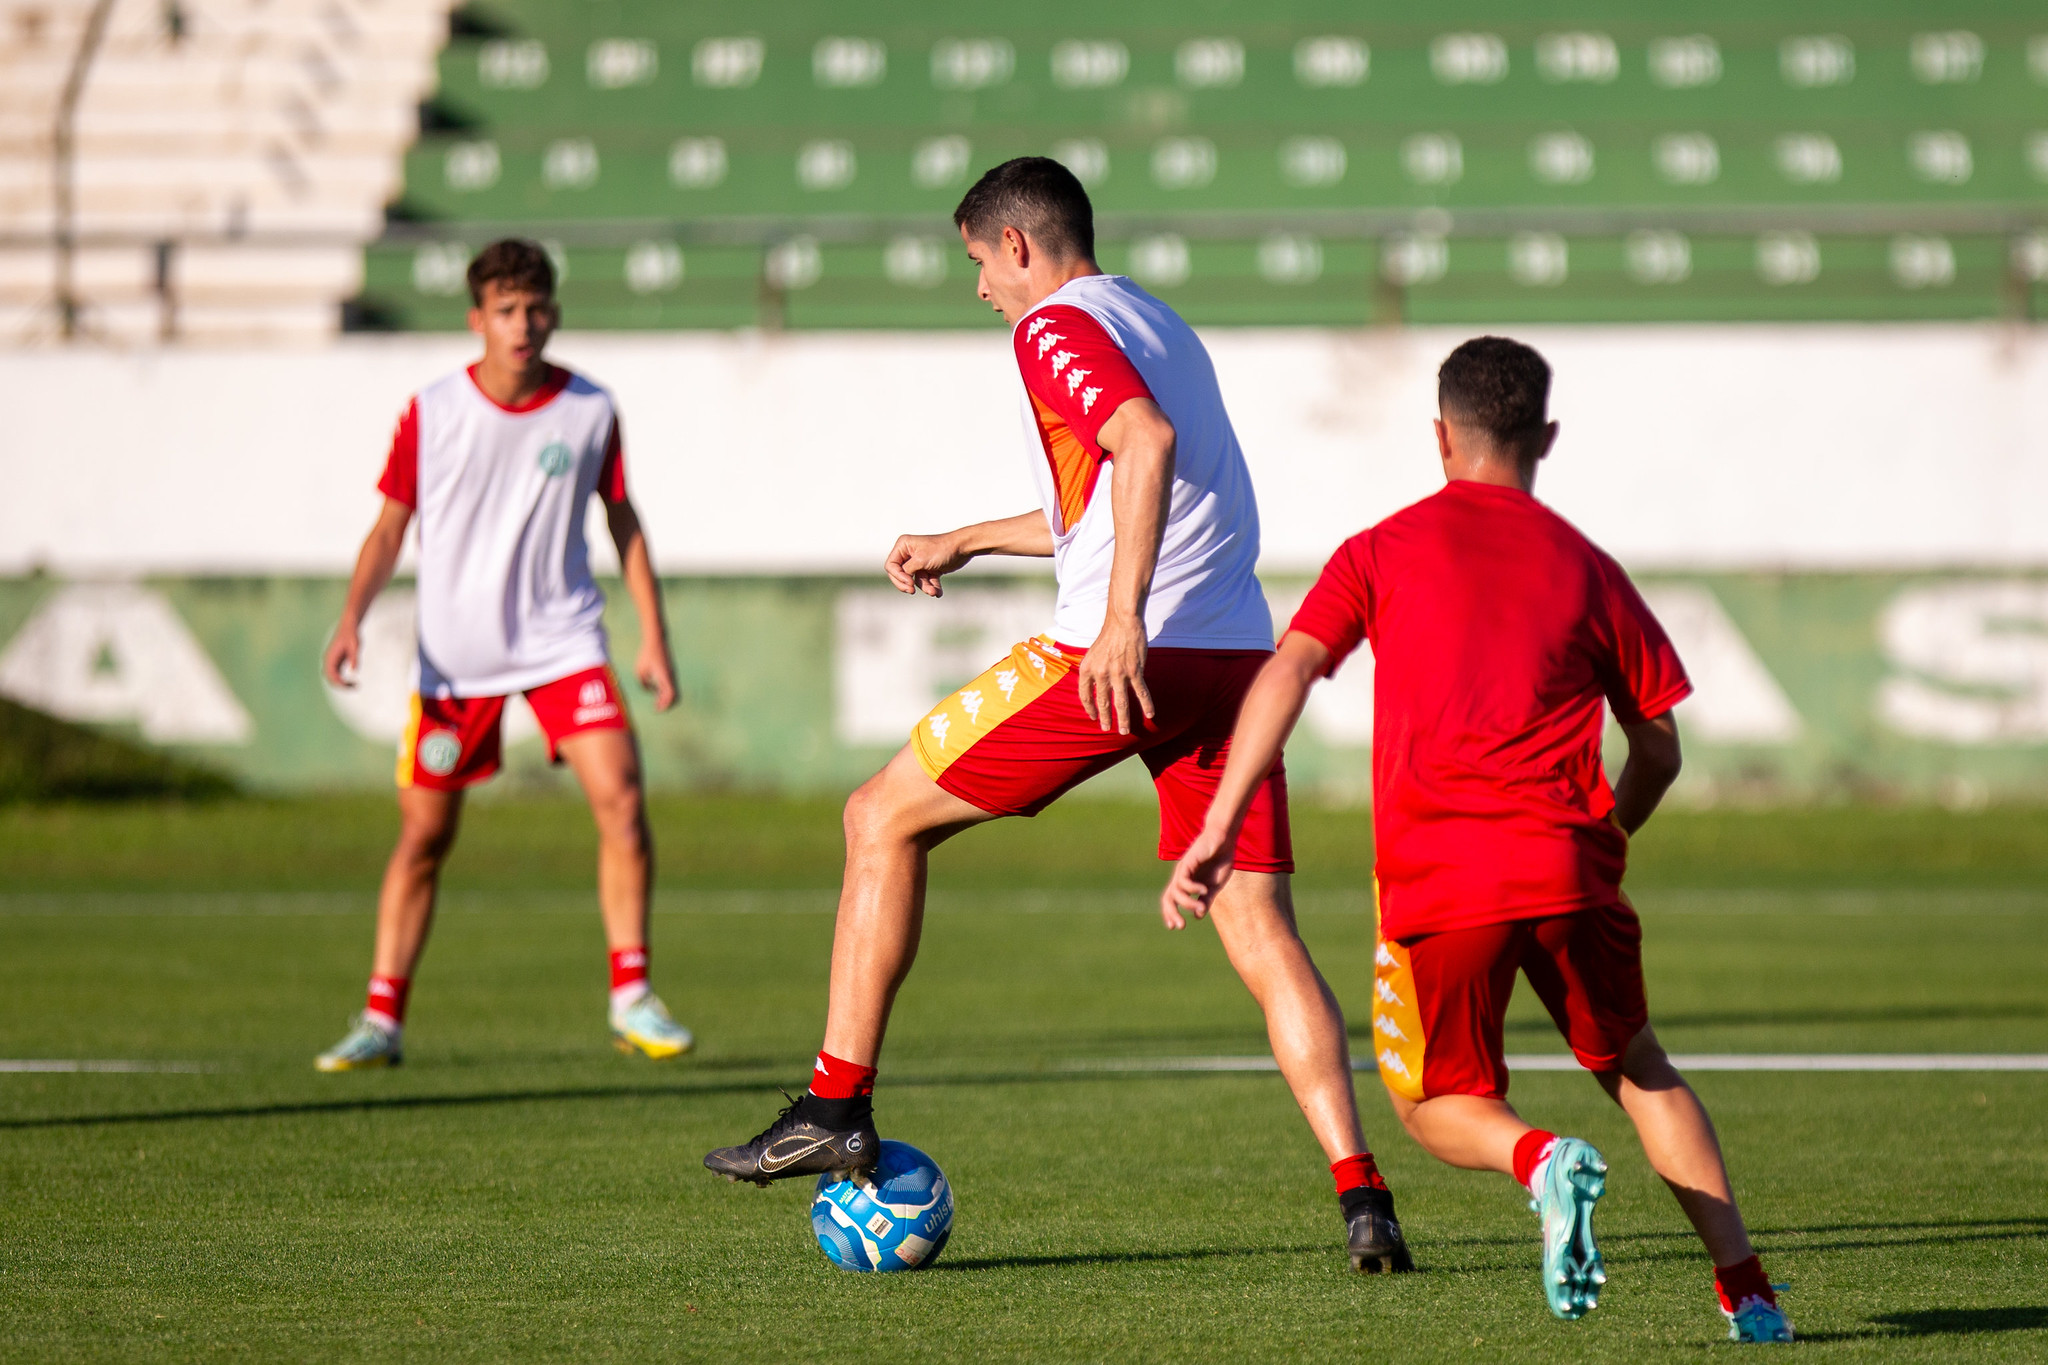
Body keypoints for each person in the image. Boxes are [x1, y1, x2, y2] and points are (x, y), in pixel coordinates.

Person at [702, 158, 1411, 1273]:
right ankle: (1361, 1195)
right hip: (1232, 659)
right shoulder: (1151, 314)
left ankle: (834, 1102)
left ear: (1018, 246)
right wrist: (970, 537)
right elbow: (1111, 488)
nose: (979, 288)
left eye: (978, 262)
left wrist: (1121, 617)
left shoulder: (1053, 329)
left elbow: (1143, 446)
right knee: (1260, 929)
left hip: (1118, 657)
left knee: (877, 816)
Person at [1163, 337, 1795, 1341]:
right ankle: (1748, 1293)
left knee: (1434, 1104)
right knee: (1637, 1066)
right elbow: (1660, 747)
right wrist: (1605, 832)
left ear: (1438, 436)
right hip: (1568, 866)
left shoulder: (1381, 548)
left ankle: (1539, 1160)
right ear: (1543, 436)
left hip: (1439, 880)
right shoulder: (1588, 568)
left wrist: (1219, 816)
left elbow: (1284, 672)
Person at [314, 239, 694, 1070]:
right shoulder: (435, 410)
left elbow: (622, 520)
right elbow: (390, 527)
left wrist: (653, 633)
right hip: (457, 658)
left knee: (623, 801)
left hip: (563, 643)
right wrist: (352, 617)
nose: (524, 325)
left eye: (536, 308)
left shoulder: (590, 408)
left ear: (554, 312)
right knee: (423, 836)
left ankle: (633, 994)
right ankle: (382, 1018)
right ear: (476, 318)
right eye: (506, 310)